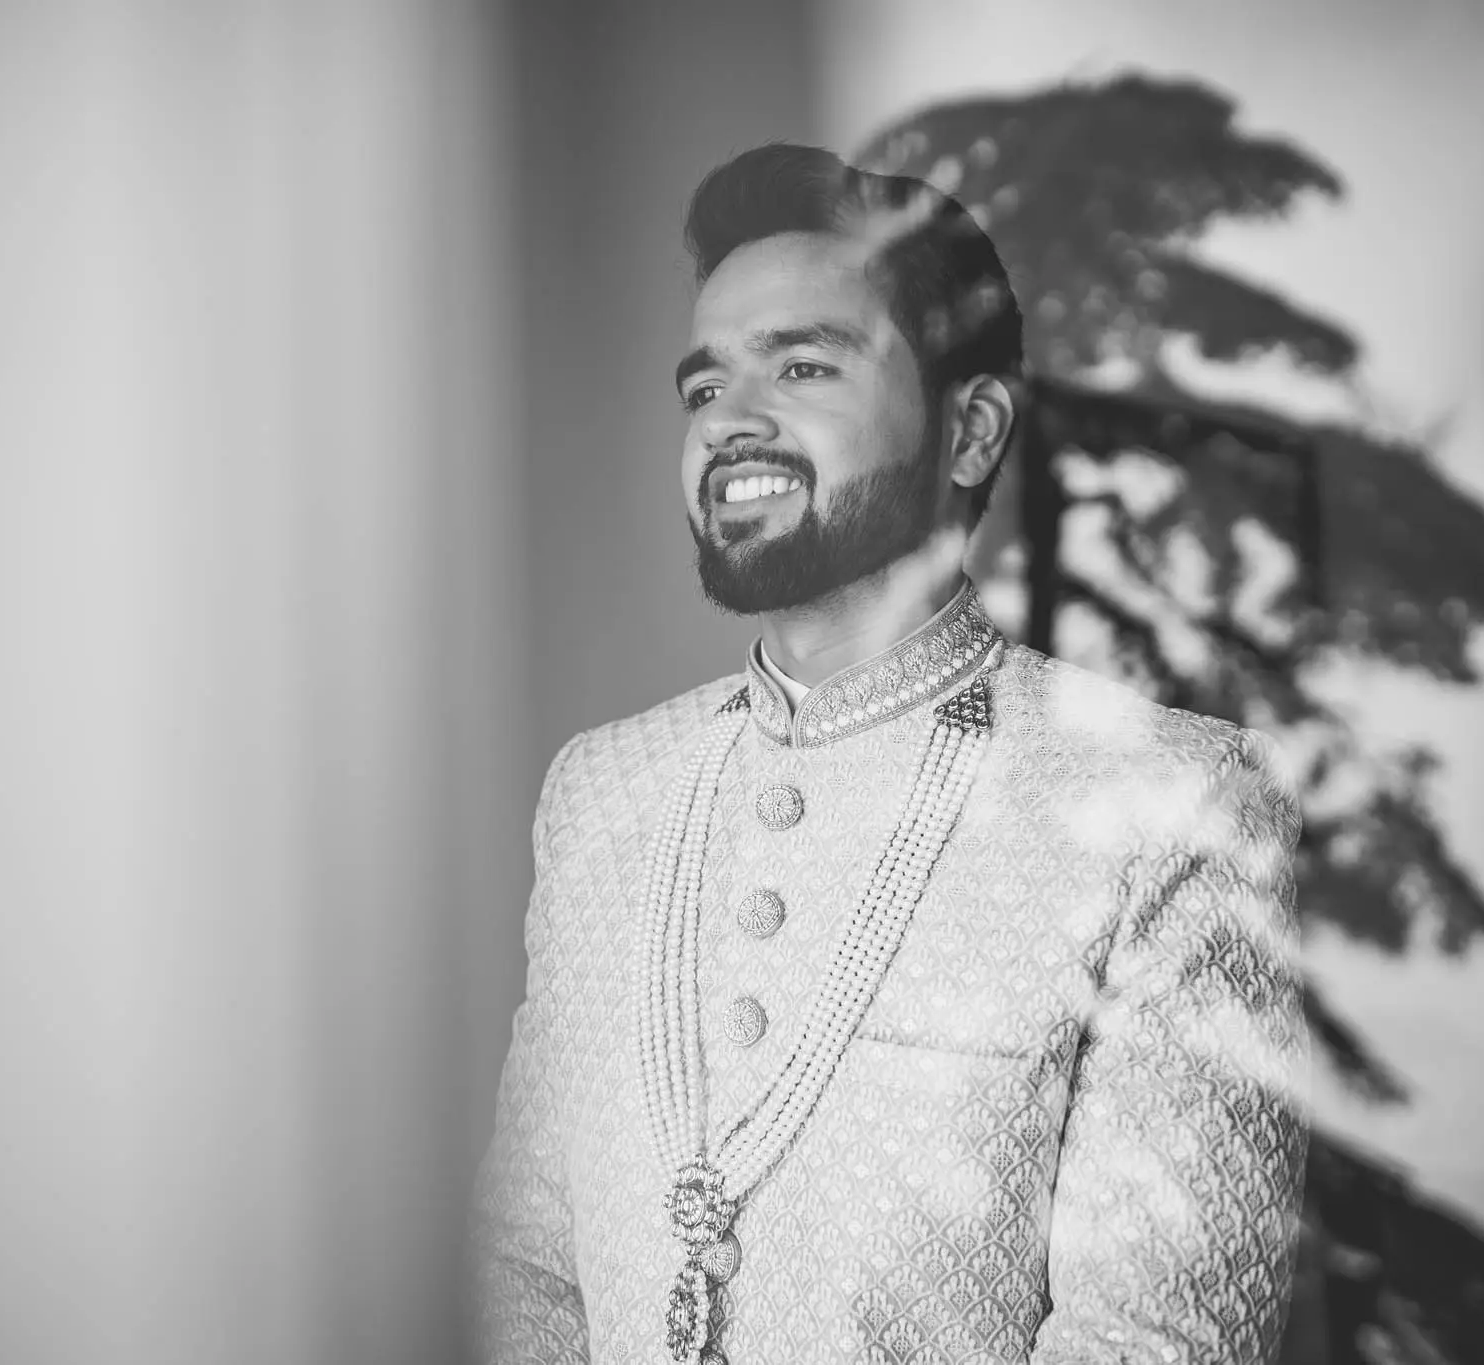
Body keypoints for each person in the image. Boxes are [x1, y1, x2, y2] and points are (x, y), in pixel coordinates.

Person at [473, 142, 1308, 1365]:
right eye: (702, 389)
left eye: (801, 366)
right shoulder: (601, 791)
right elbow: (523, 1269)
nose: (728, 422)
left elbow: (1152, 1344)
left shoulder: (1169, 805)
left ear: (968, 431)